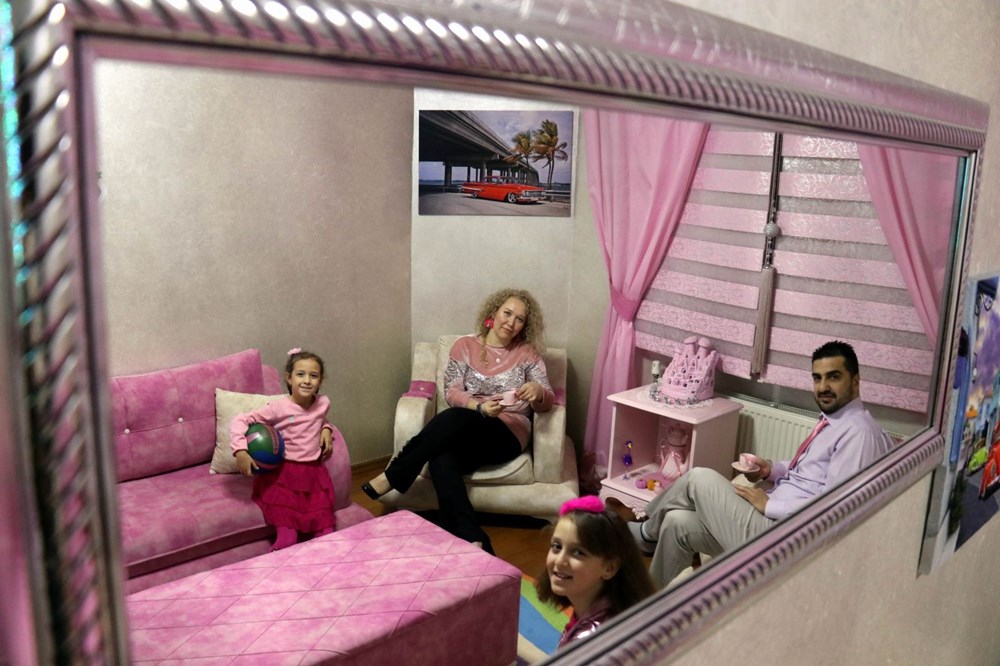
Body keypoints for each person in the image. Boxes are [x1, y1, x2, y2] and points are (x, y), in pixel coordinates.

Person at [616, 340, 894, 587]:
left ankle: (645, 532)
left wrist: (770, 505)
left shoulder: (859, 434)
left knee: (698, 477)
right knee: (677, 522)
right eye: (817, 378)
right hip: (770, 522)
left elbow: (838, 508)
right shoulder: (836, 422)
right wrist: (770, 469)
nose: (823, 387)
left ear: (855, 381)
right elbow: (809, 474)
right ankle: (648, 605)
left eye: (833, 377)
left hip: (785, 538)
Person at [362, 288, 554, 554]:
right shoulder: (465, 346)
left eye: (519, 319)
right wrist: (480, 407)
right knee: (441, 459)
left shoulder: (527, 353)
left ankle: (395, 474)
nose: (511, 322)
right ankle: (474, 538)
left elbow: (548, 398)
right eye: (507, 313)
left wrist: (538, 391)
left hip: (508, 433)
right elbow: (451, 392)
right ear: (494, 312)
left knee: (454, 418)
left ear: (525, 325)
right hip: (467, 424)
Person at [230, 348, 336, 551]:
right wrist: (240, 451)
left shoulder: (323, 403)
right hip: (284, 475)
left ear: (320, 381)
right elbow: (240, 420)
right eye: (300, 374)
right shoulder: (278, 407)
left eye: (313, 376)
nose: (307, 381)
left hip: (314, 474)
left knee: (327, 533)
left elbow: (318, 419)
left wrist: (326, 428)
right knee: (288, 537)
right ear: (289, 378)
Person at [536, 496, 656, 648]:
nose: (559, 561)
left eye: (578, 552)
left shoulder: (588, 643)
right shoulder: (608, 607)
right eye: (557, 546)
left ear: (609, 568)